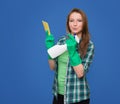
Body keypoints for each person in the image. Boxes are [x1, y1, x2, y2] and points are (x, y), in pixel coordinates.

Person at [45, 8, 94, 104]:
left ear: (84, 24)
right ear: (68, 23)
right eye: (71, 21)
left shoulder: (89, 45)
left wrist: (72, 52)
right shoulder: (62, 41)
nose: (75, 24)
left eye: (79, 20)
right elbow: (52, 67)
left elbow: (80, 73)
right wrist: (50, 51)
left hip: (77, 97)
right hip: (58, 95)